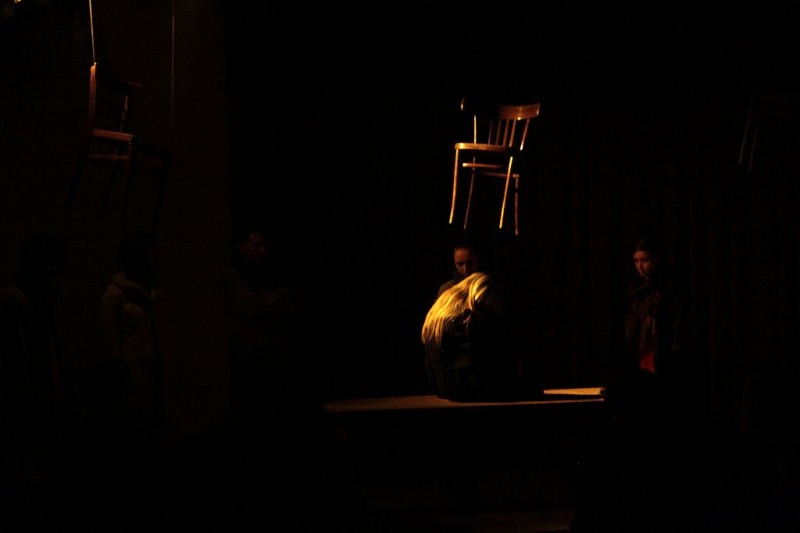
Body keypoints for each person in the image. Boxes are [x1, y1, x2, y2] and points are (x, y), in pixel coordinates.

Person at [422, 271, 532, 402]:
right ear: (478, 295)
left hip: (442, 386)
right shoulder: (465, 318)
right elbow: (478, 361)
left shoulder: (440, 312)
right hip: (464, 387)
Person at [99, 230, 163, 438]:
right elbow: (110, 342)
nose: (157, 260)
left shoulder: (151, 294)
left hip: (151, 374)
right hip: (131, 379)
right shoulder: (116, 295)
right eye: (152, 255)